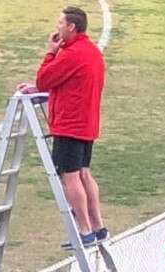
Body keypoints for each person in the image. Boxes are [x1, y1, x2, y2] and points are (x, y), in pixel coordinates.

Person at [18, 6, 108, 250]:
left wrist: (51, 53)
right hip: (88, 123)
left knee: (70, 177)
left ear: (71, 27)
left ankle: (84, 230)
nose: (57, 27)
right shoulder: (92, 52)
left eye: (60, 23)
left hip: (70, 124)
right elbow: (69, 82)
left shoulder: (72, 53)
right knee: (84, 174)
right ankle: (98, 226)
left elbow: (44, 79)